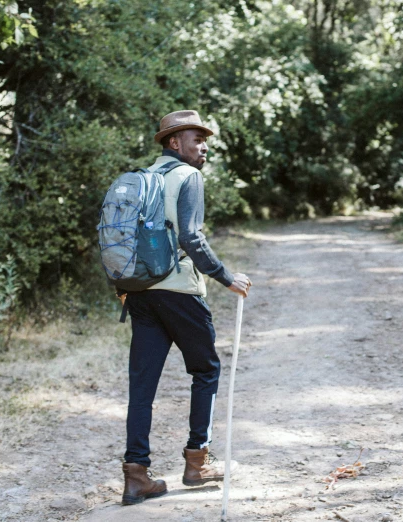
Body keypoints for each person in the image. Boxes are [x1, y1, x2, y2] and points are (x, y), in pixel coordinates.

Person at [119, 110, 251, 506]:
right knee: (206, 370)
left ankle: (136, 476)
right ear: (174, 142)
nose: (204, 146)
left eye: (204, 140)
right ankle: (197, 463)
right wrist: (226, 276)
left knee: (142, 387)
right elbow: (191, 236)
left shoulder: (143, 177)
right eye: (196, 140)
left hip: (141, 293)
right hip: (179, 292)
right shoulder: (188, 177)